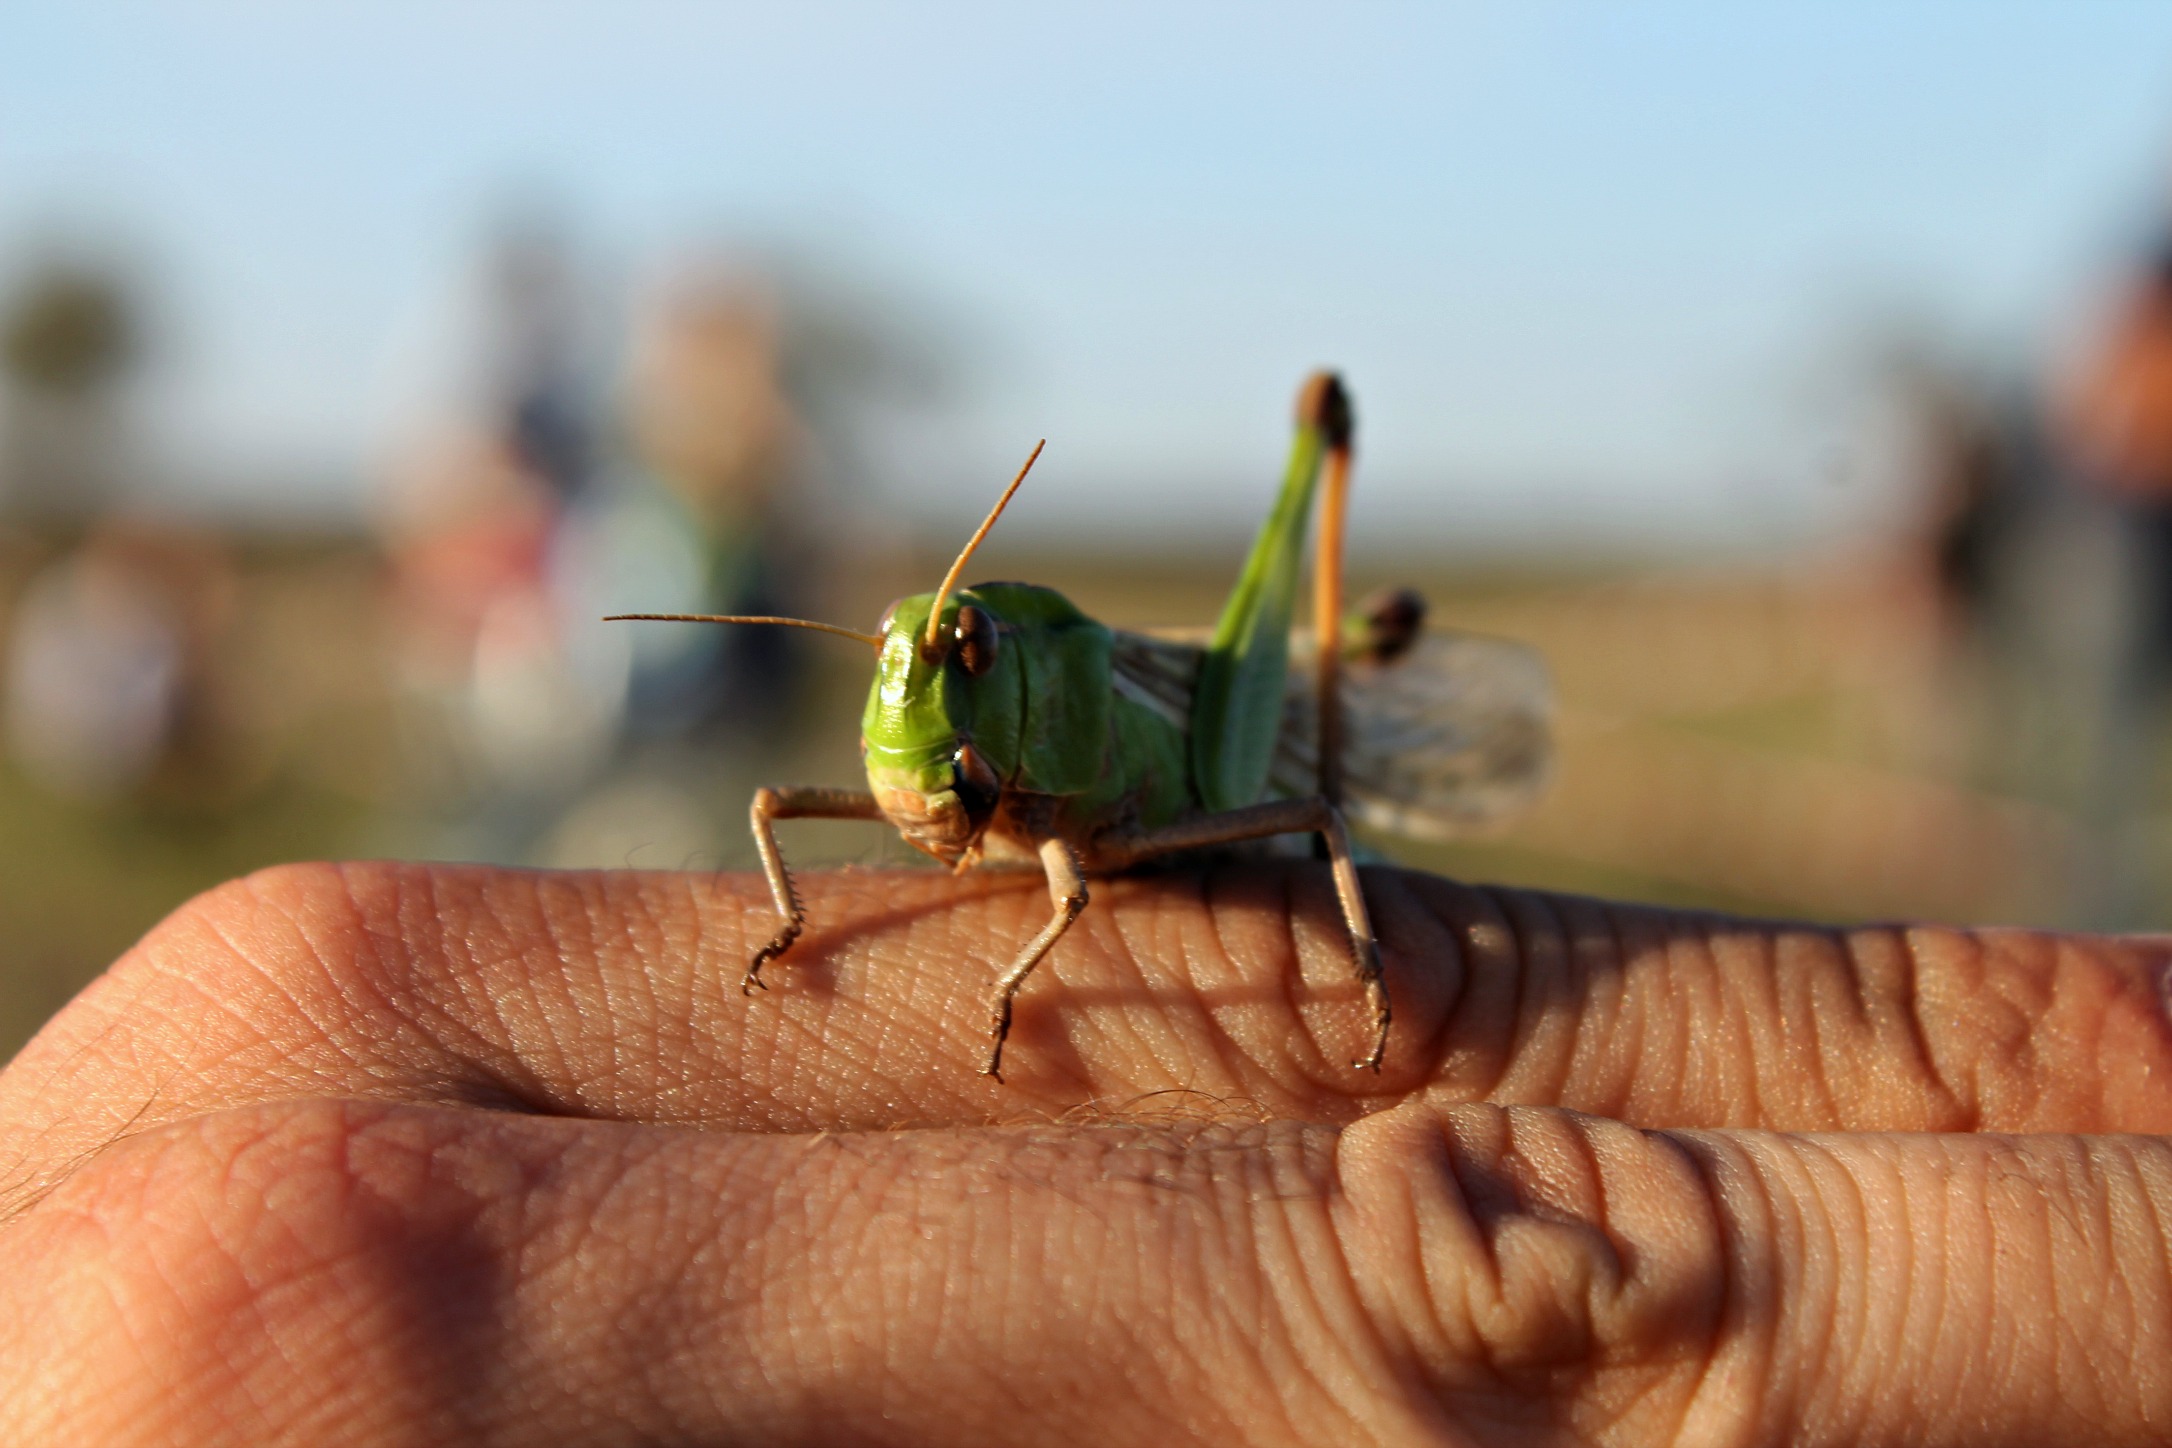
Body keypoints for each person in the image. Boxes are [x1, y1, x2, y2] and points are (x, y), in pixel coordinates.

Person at [0, 858, 2169, 1443]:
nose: (903, 733)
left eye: (937, 673)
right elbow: (822, 827)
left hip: (1231, 763)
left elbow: (1146, 857)